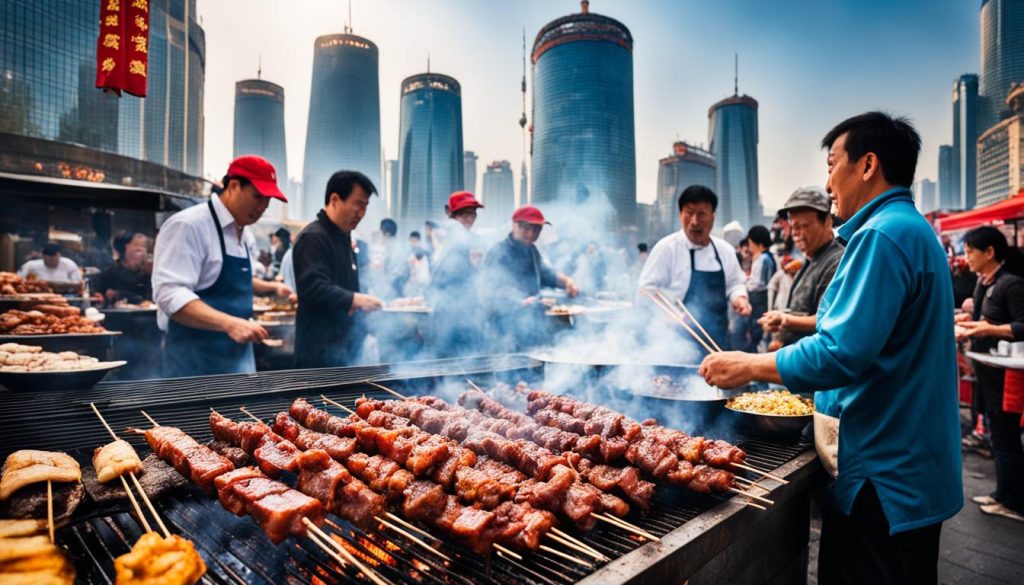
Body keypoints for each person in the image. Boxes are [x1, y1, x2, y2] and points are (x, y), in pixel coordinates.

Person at [700, 112, 962, 583]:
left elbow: (840, 351)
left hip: (884, 478)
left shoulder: (883, 236)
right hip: (912, 473)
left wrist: (748, 365)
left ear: (867, 165)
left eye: (832, 164)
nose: (828, 182)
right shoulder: (907, 229)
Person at [152, 155, 291, 377]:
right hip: (193, 366)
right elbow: (169, 294)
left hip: (238, 363)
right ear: (234, 186)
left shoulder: (245, 235)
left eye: (268, 200)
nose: (263, 206)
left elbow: (242, 283)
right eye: (258, 197)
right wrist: (230, 324)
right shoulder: (189, 225)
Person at [955, 226, 1024, 522]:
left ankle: (1015, 500)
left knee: (1006, 437)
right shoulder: (983, 283)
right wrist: (967, 321)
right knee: (996, 436)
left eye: (970, 252)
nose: (966, 257)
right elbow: (982, 318)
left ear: (990, 252)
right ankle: (1003, 493)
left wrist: (987, 329)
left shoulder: (1012, 284)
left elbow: (1022, 326)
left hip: (1007, 377)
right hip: (985, 370)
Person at [639, 185, 751, 352]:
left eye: (701, 214)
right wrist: (670, 314)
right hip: (675, 345)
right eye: (689, 213)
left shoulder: (725, 251)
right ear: (680, 215)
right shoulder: (667, 249)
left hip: (718, 343)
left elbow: (735, 283)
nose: (694, 221)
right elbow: (646, 290)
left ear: (713, 217)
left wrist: (739, 299)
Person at [293, 170, 383, 368]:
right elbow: (313, 287)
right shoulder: (314, 237)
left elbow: (345, 285)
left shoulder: (344, 237)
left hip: (345, 350)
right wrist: (356, 299)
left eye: (365, 207)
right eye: (358, 205)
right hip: (319, 354)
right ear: (335, 199)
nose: (362, 214)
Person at [481, 205, 579, 351]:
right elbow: (494, 289)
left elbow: (545, 273)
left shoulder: (531, 250)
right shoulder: (498, 252)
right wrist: (522, 301)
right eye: (527, 228)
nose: (532, 234)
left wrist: (567, 282)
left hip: (530, 324)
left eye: (536, 229)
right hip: (505, 329)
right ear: (514, 225)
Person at [758, 187, 845, 347]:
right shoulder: (810, 259)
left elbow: (826, 320)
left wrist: (785, 320)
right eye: (794, 227)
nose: (797, 233)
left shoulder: (835, 262)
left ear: (827, 222)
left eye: (805, 226)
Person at [427, 191, 485, 357]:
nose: (469, 218)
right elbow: (437, 281)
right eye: (463, 214)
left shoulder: (475, 241)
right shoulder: (441, 241)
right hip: (447, 318)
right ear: (450, 214)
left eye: (472, 213)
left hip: (470, 317)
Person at [91, 232, 152, 306]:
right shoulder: (110, 271)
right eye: (138, 250)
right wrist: (98, 296)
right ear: (124, 250)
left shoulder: (148, 273)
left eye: (145, 250)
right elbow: (96, 295)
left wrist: (119, 294)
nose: (143, 254)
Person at [744, 225, 776, 351]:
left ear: (757, 242)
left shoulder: (764, 258)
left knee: (758, 333)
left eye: (750, 243)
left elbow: (758, 283)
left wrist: (744, 284)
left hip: (760, 301)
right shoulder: (765, 257)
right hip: (760, 301)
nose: (750, 247)